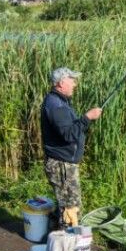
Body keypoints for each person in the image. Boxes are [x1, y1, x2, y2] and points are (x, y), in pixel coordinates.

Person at [41, 67, 102, 228]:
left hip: (64, 164)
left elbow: (68, 129)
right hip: (62, 165)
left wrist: (84, 120)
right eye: (72, 80)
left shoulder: (60, 102)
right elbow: (68, 134)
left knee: (67, 206)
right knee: (70, 209)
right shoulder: (56, 105)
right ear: (61, 83)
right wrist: (87, 118)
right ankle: (67, 247)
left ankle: (57, 240)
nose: (75, 84)